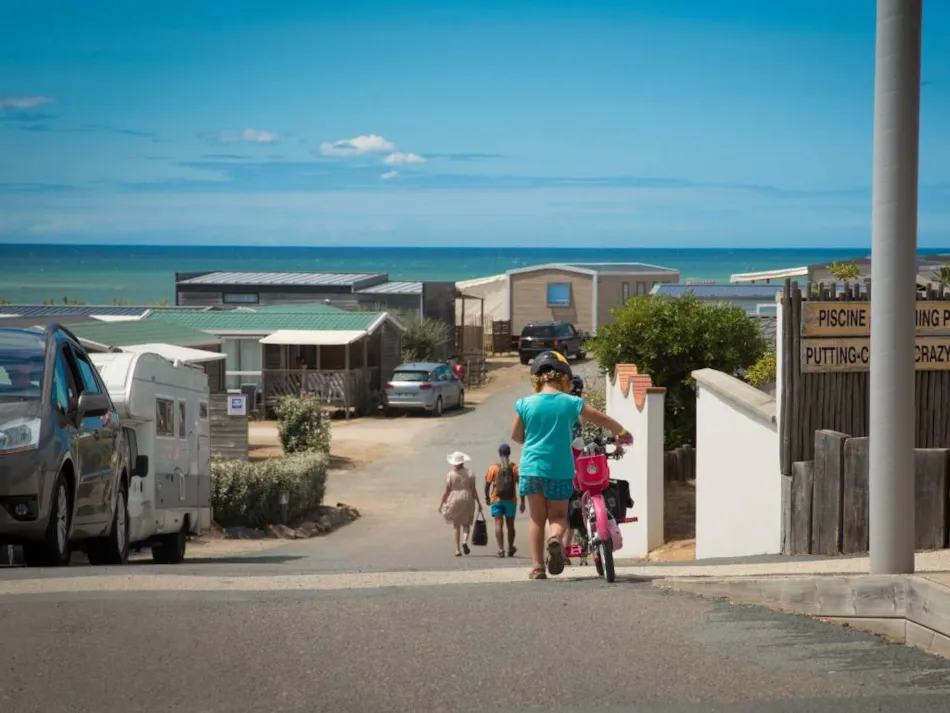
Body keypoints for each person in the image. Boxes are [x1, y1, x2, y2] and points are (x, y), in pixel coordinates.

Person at [510, 351, 632, 580]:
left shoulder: (524, 404)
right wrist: (623, 433)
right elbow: (602, 419)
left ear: (537, 379)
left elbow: (516, 435)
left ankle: (537, 567)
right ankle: (555, 539)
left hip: (531, 467)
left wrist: (535, 437)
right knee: (557, 515)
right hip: (560, 467)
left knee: (537, 518)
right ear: (564, 378)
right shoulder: (572, 403)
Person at [484, 443, 525, 558]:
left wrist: (487, 497)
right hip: (511, 500)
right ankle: (510, 548)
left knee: (498, 523)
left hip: (496, 499)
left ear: (499, 453)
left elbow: (487, 484)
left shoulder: (494, 468)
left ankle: (501, 549)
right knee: (510, 525)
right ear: (509, 453)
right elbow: (521, 485)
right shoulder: (515, 468)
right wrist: (523, 502)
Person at [439, 451, 482, 556]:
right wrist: (479, 503)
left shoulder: (450, 474)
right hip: (467, 497)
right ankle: (464, 541)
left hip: (454, 498)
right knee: (466, 523)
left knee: (456, 525)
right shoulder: (470, 473)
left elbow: (447, 490)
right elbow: (473, 490)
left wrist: (441, 504)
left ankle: (457, 549)